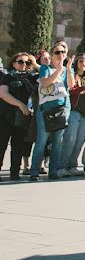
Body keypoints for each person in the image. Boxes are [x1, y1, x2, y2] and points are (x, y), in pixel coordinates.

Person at [31, 41, 75, 181]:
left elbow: (71, 85)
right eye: (57, 52)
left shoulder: (68, 69)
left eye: (63, 52)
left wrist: (67, 69)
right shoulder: (45, 68)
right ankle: (34, 171)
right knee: (42, 141)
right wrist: (58, 70)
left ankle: (53, 172)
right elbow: (44, 83)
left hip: (61, 109)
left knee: (57, 142)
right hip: (45, 110)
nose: (60, 55)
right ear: (52, 55)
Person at [0, 53, 36, 181]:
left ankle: (14, 173)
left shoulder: (31, 78)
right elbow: (3, 94)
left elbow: (44, 73)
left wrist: (35, 63)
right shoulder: (7, 77)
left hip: (22, 117)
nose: (24, 65)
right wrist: (20, 104)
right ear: (14, 63)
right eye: (21, 62)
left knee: (18, 145)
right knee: (1, 145)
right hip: (6, 116)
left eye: (27, 62)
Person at [59, 53, 85, 176]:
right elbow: (70, 92)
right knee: (70, 140)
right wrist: (83, 88)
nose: (83, 64)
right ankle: (62, 166)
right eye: (81, 61)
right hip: (74, 112)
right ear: (76, 62)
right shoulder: (71, 75)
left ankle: (72, 165)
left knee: (79, 142)